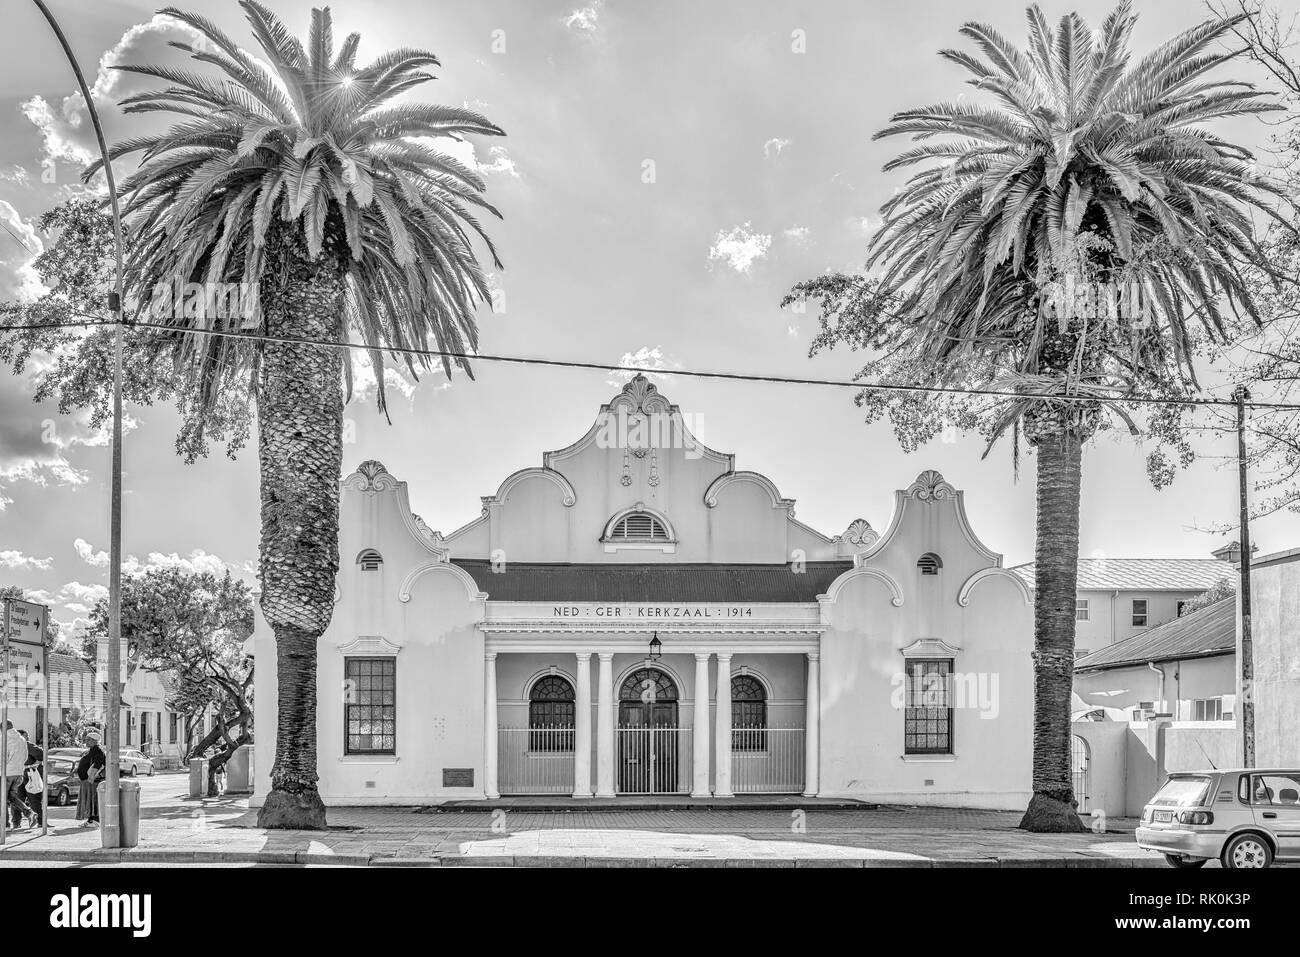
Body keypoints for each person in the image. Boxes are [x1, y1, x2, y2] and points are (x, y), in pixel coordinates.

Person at [3, 721, 32, 831]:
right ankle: (28, 812)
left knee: (2, 799)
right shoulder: (22, 739)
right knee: (11, 797)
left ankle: (4, 825)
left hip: (6, 773)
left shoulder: (4, 738)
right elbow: (25, 757)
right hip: (19, 773)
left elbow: (3, 758)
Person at [75, 731, 106, 827]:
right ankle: (90, 820)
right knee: (89, 801)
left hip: (93, 781)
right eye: (86, 739)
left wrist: (91, 777)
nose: (86, 741)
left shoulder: (98, 751)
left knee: (93, 800)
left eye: (88, 740)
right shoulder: (91, 750)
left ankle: (95, 820)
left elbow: (98, 765)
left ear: (95, 741)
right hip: (87, 781)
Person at [20, 731, 43, 828]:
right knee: (33, 797)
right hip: (28, 774)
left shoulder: (11, 745)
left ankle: (16, 822)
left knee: (18, 798)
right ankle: (39, 821)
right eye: (26, 736)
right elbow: (41, 754)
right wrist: (33, 765)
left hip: (18, 774)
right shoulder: (26, 745)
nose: (28, 738)